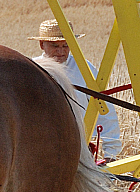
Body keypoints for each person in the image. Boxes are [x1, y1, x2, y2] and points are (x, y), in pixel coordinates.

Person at [29, 18, 122, 161]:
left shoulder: (85, 70)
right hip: (40, 150)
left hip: (80, 150)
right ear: (42, 45)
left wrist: (111, 153)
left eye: (66, 45)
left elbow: (105, 110)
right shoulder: (31, 70)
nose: (61, 51)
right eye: (55, 46)